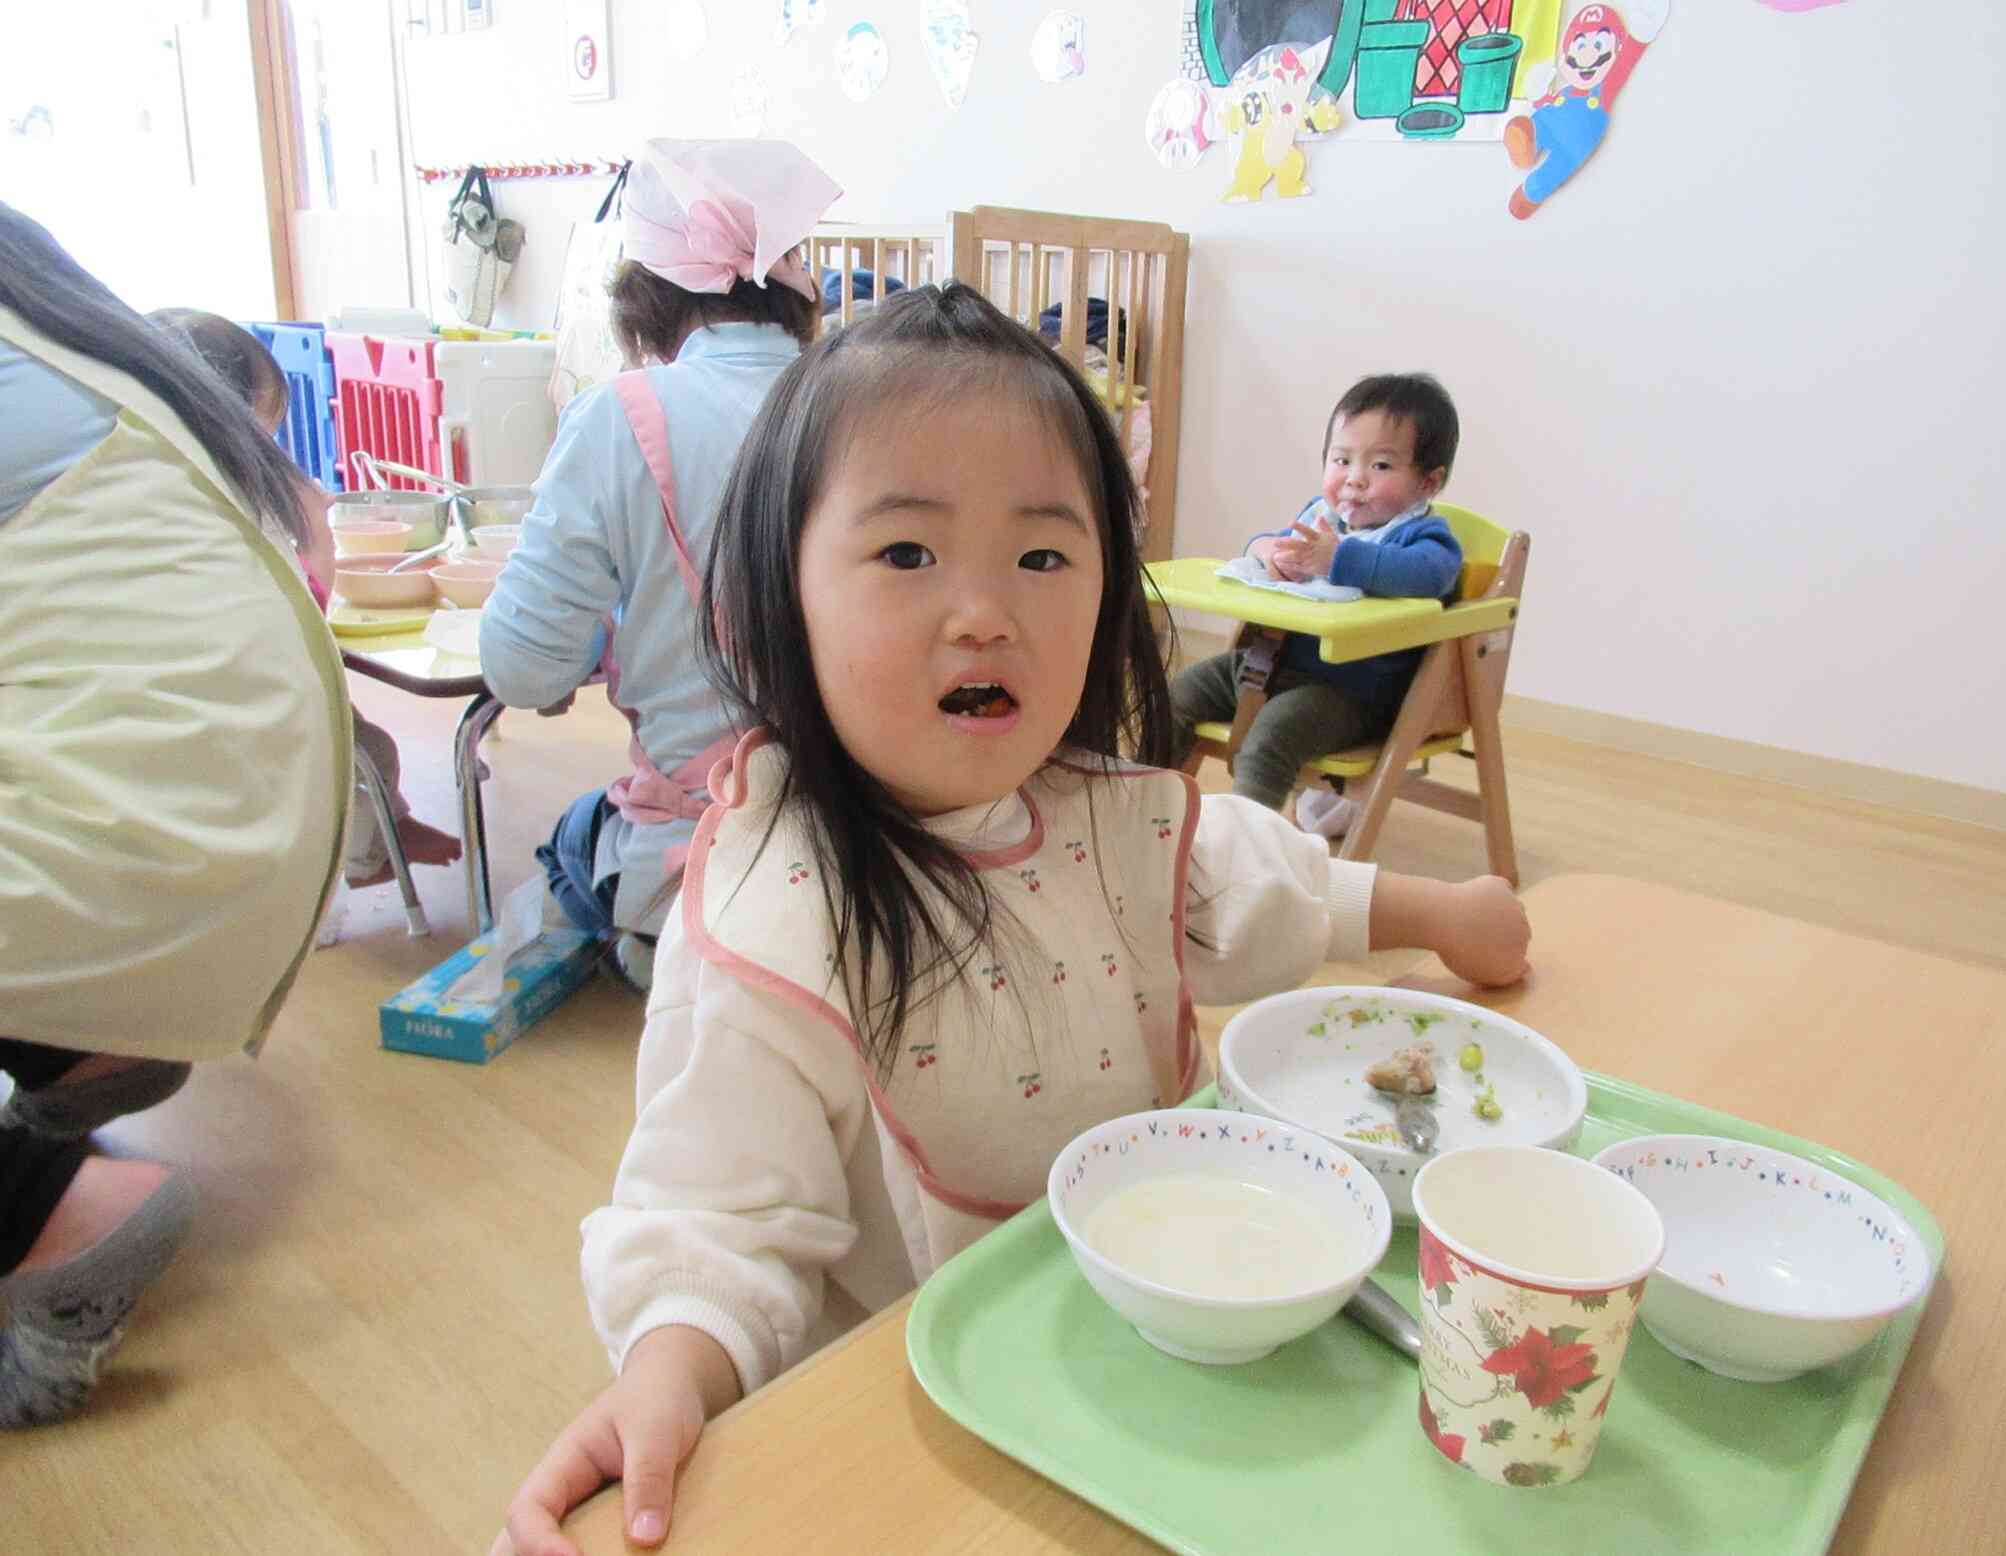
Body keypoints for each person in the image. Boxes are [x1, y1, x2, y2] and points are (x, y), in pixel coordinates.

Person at [493, 285, 1529, 1554]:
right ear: (783, 593)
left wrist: (1444, 912)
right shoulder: (778, 914)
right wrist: (663, 1374)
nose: (984, 609)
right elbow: (717, 1218)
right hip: (937, 1430)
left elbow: (1261, 883)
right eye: (906, 553)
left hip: (1164, 1342)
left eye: (1043, 555)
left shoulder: (1105, 809)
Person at [0, 205, 351, 1425]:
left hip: (149, 840)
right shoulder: (75, 339)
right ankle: (74, 1055)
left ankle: (46, 1203)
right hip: (263, 842)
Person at [479, 139, 840, 990]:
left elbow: (521, 668)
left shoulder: (620, 416)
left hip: (708, 856)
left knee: (570, 835)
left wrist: (589, 644)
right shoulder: (862, 396)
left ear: (644, 297)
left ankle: (659, 945)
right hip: (863, 839)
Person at [149, 307, 461, 891]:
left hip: (183, 696)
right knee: (366, 747)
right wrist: (320, 538)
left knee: (358, 736)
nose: (269, 444)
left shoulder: (148, 478)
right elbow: (313, 585)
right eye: (265, 428)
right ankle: (369, 856)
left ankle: (391, 830)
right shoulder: (232, 487)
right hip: (236, 703)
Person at [1170, 373, 1463, 837]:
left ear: (1428, 482)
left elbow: (1428, 575)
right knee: (1171, 699)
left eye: (1381, 466)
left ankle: (1247, 855)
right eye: (1341, 459)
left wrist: (1339, 559)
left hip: (1350, 693)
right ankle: (1141, 818)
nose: (1355, 479)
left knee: (1270, 738)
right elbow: (1272, 547)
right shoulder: (1320, 519)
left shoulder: (1423, 538)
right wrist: (1268, 552)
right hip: (1266, 664)